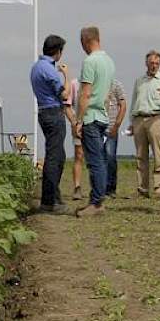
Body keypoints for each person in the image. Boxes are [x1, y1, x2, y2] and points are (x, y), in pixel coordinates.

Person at [73, 26, 116, 216]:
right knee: (101, 159)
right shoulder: (109, 62)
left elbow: (85, 93)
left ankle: (97, 202)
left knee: (95, 161)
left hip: (90, 117)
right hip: (103, 116)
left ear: (85, 41)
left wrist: (78, 120)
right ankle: (96, 199)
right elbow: (107, 93)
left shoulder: (90, 62)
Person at [30, 35, 72, 214]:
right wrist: (66, 75)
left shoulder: (37, 67)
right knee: (55, 158)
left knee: (58, 156)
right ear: (58, 52)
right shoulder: (49, 69)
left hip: (44, 112)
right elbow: (64, 94)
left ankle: (54, 196)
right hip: (53, 113)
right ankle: (49, 201)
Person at [129, 50, 160, 197]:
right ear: (146, 63)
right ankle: (142, 188)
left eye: (157, 63)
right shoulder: (139, 80)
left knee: (159, 155)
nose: (154, 66)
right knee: (141, 155)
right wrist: (131, 122)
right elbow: (134, 101)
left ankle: (159, 187)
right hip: (139, 119)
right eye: (151, 63)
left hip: (156, 119)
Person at [104, 79, 127, 198]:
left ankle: (110, 188)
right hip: (97, 126)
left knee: (110, 157)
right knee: (98, 159)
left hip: (111, 127)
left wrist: (117, 125)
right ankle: (99, 188)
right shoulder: (94, 83)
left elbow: (123, 105)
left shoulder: (116, 84)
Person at [66, 78, 86, 200]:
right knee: (79, 155)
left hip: (95, 122)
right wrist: (74, 123)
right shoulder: (74, 84)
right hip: (78, 124)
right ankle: (77, 187)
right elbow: (67, 106)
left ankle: (99, 188)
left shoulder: (99, 82)